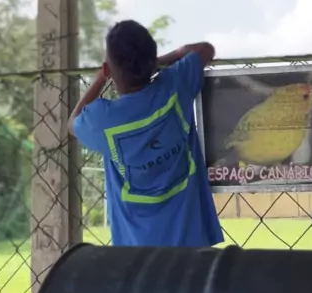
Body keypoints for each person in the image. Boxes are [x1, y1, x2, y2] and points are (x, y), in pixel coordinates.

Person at [68, 20, 223, 248]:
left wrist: (100, 79)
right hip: (191, 242)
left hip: (134, 250)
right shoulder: (176, 84)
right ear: (151, 60)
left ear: (108, 69)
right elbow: (206, 49)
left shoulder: (103, 120)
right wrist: (165, 59)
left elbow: (72, 123)